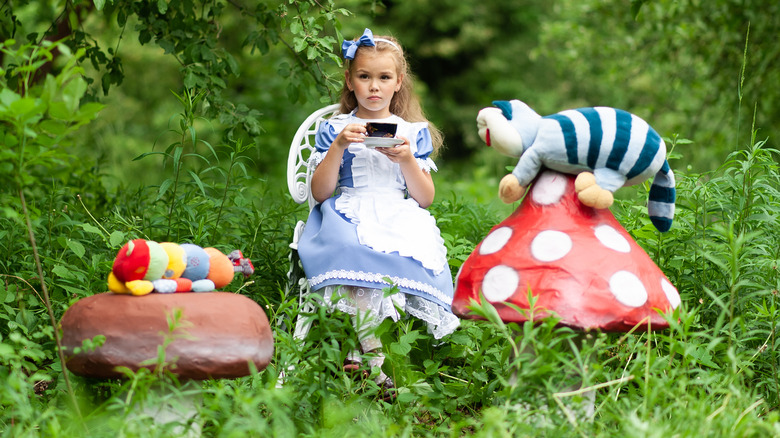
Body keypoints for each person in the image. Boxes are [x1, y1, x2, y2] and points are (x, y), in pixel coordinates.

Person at [297, 28, 459, 391]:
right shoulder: (335, 128)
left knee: (408, 250)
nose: (374, 86)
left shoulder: (410, 132)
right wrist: (338, 146)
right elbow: (321, 193)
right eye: (364, 76)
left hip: (395, 211)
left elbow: (425, 198)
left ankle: (362, 356)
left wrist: (406, 160)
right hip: (348, 208)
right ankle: (374, 361)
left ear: (398, 82)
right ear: (350, 81)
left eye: (384, 78)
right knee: (355, 247)